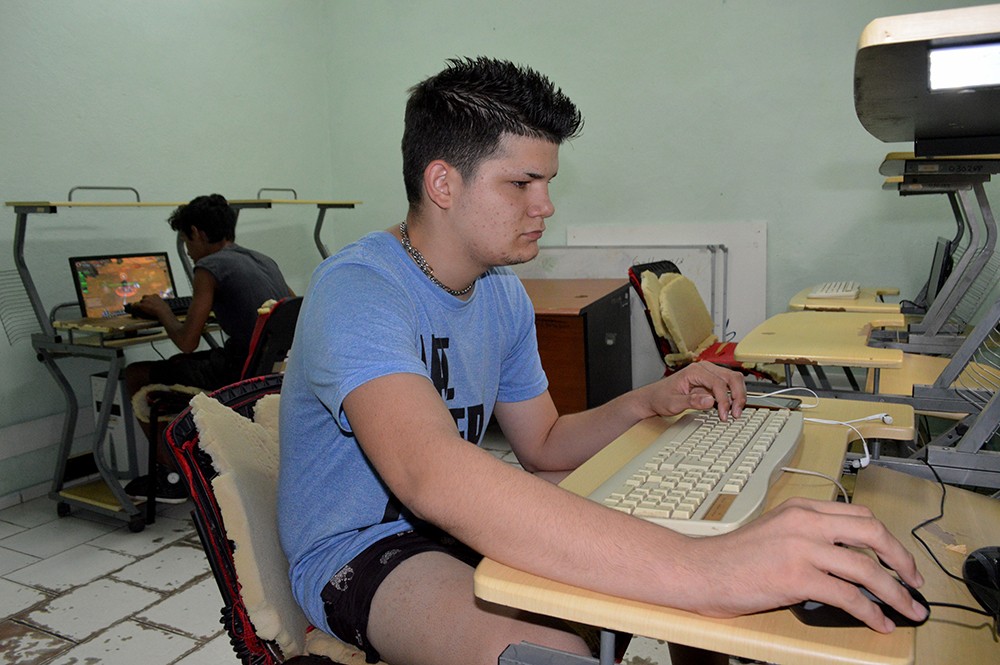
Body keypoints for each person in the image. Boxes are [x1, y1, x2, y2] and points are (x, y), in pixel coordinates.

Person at [277, 57, 926, 665]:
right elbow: (432, 474)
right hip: (361, 547)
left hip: (450, 520)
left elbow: (545, 443)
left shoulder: (500, 290)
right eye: (522, 183)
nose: (546, 205)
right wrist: (705, 570)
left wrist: (649, 399)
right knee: (556, 640)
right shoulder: (359, 289)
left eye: (549, 182)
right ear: (443, 182)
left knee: (692, 529)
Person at [124, 193, 293, 502]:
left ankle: (171, 477)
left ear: (197, 234)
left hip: (237, 372)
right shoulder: (262, 259)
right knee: (177, 364)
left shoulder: (209, 266)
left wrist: (162, 310)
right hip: (273, 371)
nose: (189, 252)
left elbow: (188, 342)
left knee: (136, 374)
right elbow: (290, 310)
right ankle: (196, 463)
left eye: (187, 243)